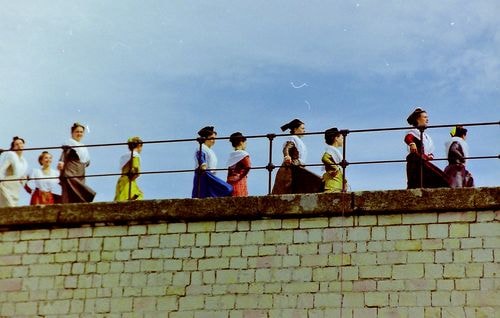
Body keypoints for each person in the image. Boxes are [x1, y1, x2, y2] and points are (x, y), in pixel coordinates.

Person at [272, 118, 323, 194]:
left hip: (297, 167)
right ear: (295, 129)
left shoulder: (297, 140)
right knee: (316, 182)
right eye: (302, 128)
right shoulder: (293, 138)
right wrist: (287, 156)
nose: (304, 130)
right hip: (292, 167)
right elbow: (287, 148)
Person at [404, 108, 449, 188]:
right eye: (425, 117)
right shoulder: (413, 132)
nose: (427, 119)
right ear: (418, 119)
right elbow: (408, 138)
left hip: (423, 161)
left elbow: (429, 150)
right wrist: (411, 143)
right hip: (416, 162)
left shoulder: (426, 136)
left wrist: (430, 155)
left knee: (442, 179)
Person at [57, 123, 96, 203]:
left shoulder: (83, 146)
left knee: (78, 193)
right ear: (72, 133)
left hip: (80, 171)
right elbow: (65, 153)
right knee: (69, 189)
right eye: (77, 132)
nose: (79, 134)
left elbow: (87, 161)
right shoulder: (69, 142)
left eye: (81, 132)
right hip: (71, 169)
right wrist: (61, 161)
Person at [192, 126, 233, 198]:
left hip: (210, 175)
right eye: (212, 138)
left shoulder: (210, 150)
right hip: (204, 175)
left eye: (215, 139)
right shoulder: (201, 148)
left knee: (207, 195)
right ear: (205, 138)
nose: (214, 141)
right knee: (227, 188)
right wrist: (203, 164)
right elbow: (200, 157)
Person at [0, 136, 29, 207]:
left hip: (15, 187)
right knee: (8, 204)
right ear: (13, 147)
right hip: (7, 185)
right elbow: (2, 169)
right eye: (17, 144)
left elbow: (21, 175)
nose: (19, 146)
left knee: (13, 206)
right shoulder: (11, 155)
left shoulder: (24, 161)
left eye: (21, 143)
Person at [114, 136, 144, 201]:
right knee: (137, 195)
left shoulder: (124, 156)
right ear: (139, 145)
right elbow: (136, 168)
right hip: (128, 181)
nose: (141, 150)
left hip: (121, 180)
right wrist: (137, 174)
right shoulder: (135, 155)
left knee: (121, 198)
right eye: (141, 147)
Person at [321, 128, 347, 192]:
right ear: (336, 138)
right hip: (333, 185)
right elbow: (324, 158)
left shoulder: (333, 150)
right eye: (342, 138)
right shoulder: (331, 149)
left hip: (336, 183)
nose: (343, 140)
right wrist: (335, 167)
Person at [226, 132, 251, 197]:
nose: (245, 145)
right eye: (245, 143)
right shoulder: (243, 154)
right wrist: (242, 176)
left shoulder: (231, 155)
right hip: (239, 181)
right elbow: (248, 166)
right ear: (241, 142)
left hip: (230, 182)